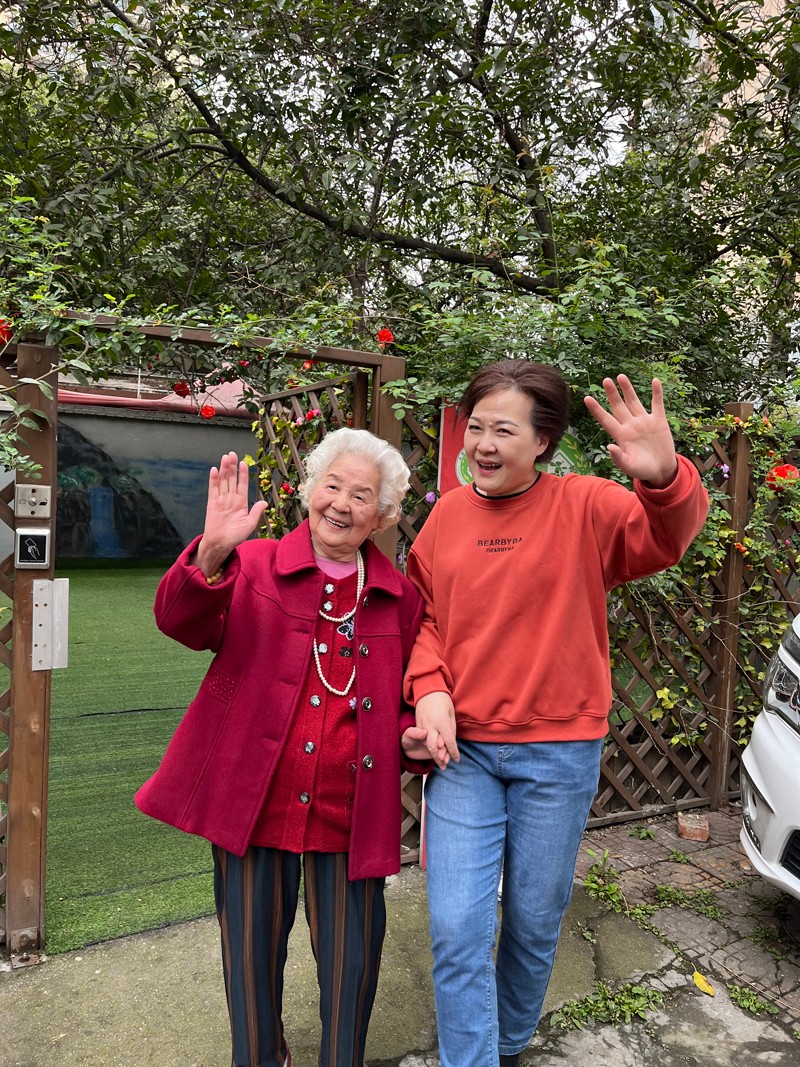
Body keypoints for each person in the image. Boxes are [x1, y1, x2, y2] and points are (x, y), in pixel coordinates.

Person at [404, 360, 709, 1067]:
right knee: (456, 925)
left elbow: (667, 538)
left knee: (535, 921)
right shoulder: (447, 515)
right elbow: (421, 617)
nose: (483, 444)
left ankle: (508, 1043)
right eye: (476, 427)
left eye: (504, 430)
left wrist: (665, 478)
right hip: (464, 752)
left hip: (560, 752)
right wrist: (429, 686)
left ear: (543, 441)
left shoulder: (586, 505)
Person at [135, 428, 429, 1067]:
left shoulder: (400, 599)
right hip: (254, 802)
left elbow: (410, 698)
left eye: (361, 495)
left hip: (350, 811)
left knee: (353, 962)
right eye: (332, 485)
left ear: (382, 516)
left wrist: (413, 737)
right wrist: (211, 553)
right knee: (248, 955)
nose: (341, 504)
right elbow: (179, 621)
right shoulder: (254, 564)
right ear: (310, 490)